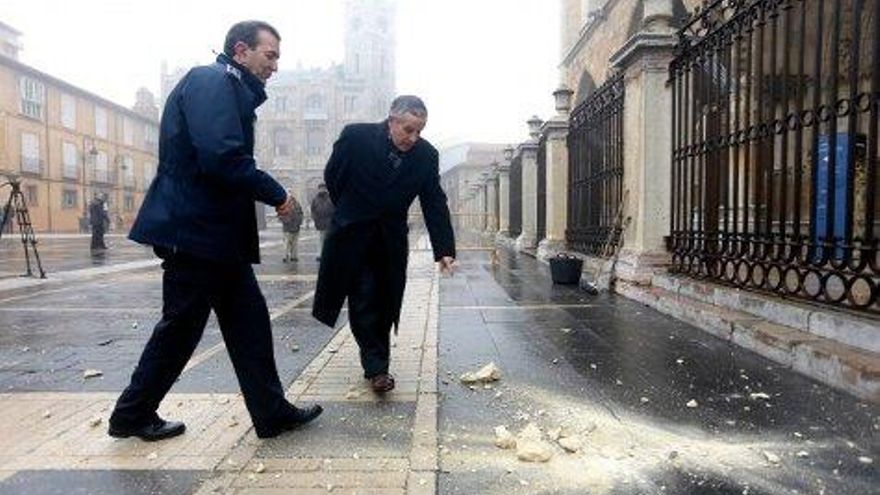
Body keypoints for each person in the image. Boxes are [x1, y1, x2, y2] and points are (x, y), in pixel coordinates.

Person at [108, 20, 322, 442]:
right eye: (270, 54)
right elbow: (222, 157)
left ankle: (271, 411)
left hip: (213, 236)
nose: (275, 66)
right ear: (241, 51)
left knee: (249, 323)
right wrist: (278, 194)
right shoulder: (211, 81)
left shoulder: (229, 88)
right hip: (195, 231)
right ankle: (131, 413)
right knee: (182, 327)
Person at [312, 95, 456, 393]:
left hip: (390, 240)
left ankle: (377, 362)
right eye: (408, 129)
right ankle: (377, 369)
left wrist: (444, 249)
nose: (413, 138)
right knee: (364, 296)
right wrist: (351, 208)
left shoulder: (426, 155)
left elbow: (433, 200)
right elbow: (333, 175)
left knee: (386, 299)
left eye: (420, 130)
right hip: (352, 235)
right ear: (391, 120)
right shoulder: (356, 137)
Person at [309, 183, 334, 261]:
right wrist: (315, 218)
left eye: (323, 188)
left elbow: (335, 209)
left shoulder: (331, 198)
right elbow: (312, 210)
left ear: (326, 189)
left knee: (329, 241)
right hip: (319, 223)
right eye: (320, 188)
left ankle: (329, 255)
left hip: (329, 223)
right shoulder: (315, 199)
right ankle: (320, 255)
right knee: (319, 241)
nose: (322, 189)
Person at [280, 194, 304, 262]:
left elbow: (301, 213)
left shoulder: (297, 204)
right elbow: (280, 215)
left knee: (294, 243)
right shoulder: (284, 204)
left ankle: (293, 256)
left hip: (295, 227)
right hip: (288, 228)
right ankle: (285, 256)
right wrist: (287, 221)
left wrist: (299, 222)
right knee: (287, 243)